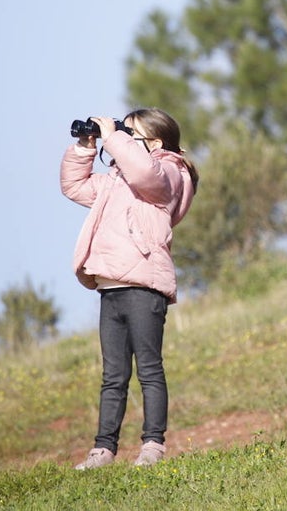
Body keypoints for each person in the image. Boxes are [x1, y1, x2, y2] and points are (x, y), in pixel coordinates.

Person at [60, 108, 199, 467]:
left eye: (130, 133)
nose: (120, 139)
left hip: (144, 285)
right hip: (110, 286)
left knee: (149, 369)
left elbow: (146, 175)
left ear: (153, 142)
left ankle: (153, 446)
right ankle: (102, 450)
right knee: (113, 376)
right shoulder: (117, 181)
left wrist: (114, 137)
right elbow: (74, 186)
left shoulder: (170, 172)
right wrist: (85, 147)